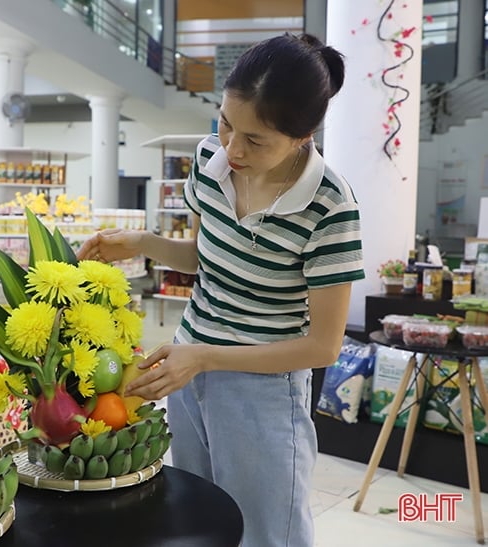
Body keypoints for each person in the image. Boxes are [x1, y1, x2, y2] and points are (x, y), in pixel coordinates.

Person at [77, 33, 364, 547]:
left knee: (266, 533)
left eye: (256, 141)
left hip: (263, 391)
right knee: (201, 520)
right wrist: (141, 242)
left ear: (302, 137)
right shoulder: (210, 159)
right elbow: (205, 258)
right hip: (186, 368)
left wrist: (205, 358)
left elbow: (324, 346)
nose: (233, 148)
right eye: (226, 123)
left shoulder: (330, 206)